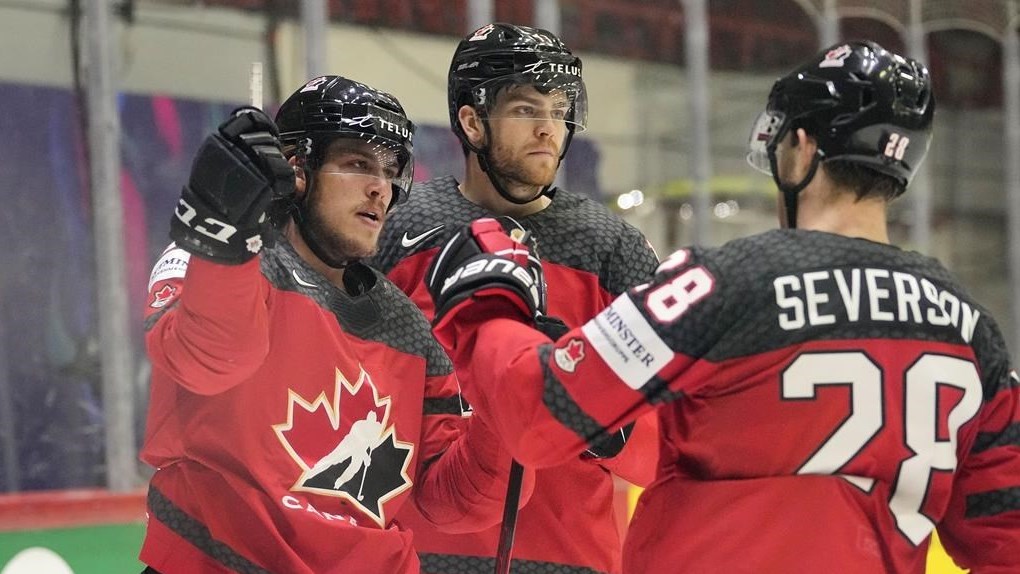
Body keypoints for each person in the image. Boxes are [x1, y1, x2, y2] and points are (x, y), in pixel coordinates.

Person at [422, 41, 1020, 573]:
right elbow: (1006, 538)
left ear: (801, 147)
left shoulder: (728, 284)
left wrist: (489, 309)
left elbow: (540, 411)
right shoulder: (968, 326)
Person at [138, 75, 522, 573]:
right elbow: (208, 361)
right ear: (298, 168)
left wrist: (507, 398)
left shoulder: (406, 326)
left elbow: (454, 502)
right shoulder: (222, 259)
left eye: (390, 170)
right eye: (358, 163)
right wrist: (223, 239)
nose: (380, 187)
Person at [369, 22, 660, 574]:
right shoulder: (399, 233)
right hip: (418, 555)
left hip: (571, 560)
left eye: (558, 109)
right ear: (472, 121)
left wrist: (600, 417)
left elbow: (673, 439)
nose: (549, 128)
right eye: (528, 110)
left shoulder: (612, 249)